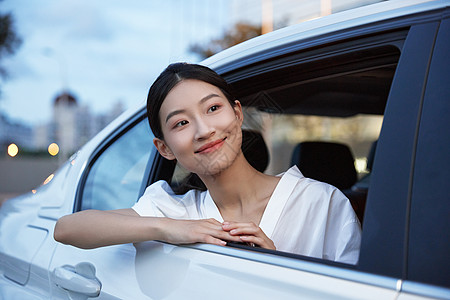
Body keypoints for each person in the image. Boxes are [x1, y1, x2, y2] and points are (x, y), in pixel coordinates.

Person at [54, 63, 361, 264]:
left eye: (213, 108)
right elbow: (68, 229)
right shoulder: (173, 210)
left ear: (238, 114)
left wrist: (281, 266)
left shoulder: (322, 202)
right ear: (164, 149)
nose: (204, 130)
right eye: (181, 123)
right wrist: (169, 229)